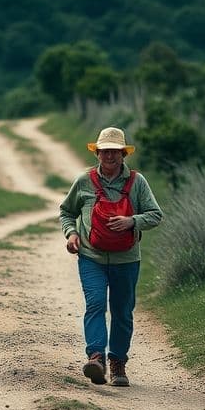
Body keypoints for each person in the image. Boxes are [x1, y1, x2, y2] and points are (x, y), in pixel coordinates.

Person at [59, 126, 162, 387]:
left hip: (126, 260)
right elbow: (66, 212)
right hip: (91, 256)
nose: (109, 156)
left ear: (123, 154)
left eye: (115, 152)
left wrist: (132, 221)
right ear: (98, 153)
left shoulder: (137, 182)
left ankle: (117, 362)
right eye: (105, 151)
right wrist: (71, 234)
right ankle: (96, 357)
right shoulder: (84, 181)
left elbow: (155, 215)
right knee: (95, 304)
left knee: (122, 311)